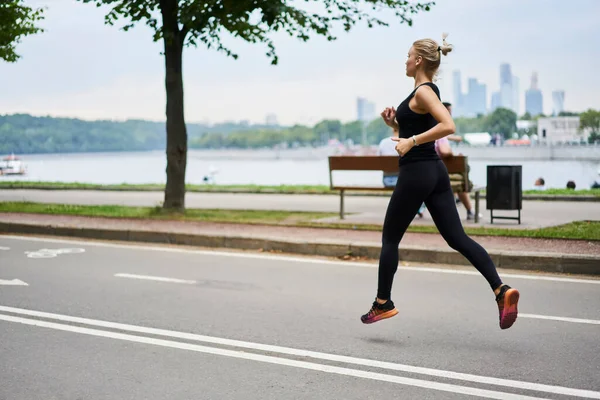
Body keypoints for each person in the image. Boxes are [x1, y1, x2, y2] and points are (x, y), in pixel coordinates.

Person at [360, 34, 519, 330]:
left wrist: (411, 141)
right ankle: (501, 291)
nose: (405, 60)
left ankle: (383, 303)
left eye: (408, 55)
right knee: (457, 238)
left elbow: (448, 126)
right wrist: (394, 124)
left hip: (417, 172)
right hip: (434, 173)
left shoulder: (424, 92)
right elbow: (417, 127)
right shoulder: (420, 94)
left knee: (390, 239)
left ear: (419, 60)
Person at [434, 102, 481, 220]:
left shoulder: (432, 128)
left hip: (429, 171)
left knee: (457, 177)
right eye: (448, 111)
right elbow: (444, 152)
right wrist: (454, 155)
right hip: (439, 173)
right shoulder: (440, 130)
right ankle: (470, 211)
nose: (450, 114)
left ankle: (458, 200)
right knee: (460, 181)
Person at [378, 129, 425, 218]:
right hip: (403, 180)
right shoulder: (408, 142)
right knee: (420, 184)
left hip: (387, 180)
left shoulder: (383, 142)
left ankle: (414, 208)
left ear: (392, 129)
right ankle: (417, 208)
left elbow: (379, 161)